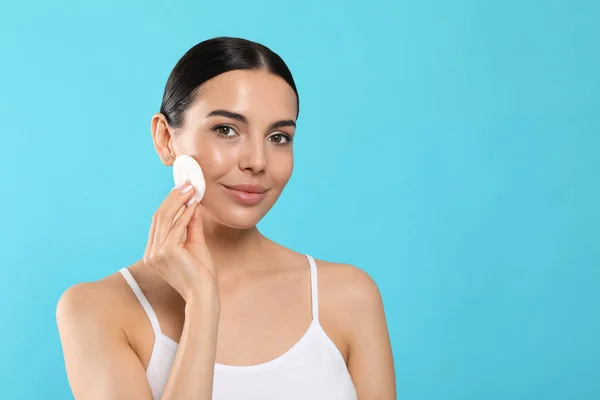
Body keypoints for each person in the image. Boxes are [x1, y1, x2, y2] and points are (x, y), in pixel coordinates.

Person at [56, 36, 396, 400]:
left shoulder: (349, 296)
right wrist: (202, 304)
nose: (257, 161)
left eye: (279, 137)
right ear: (165, 139)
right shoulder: (97, 311)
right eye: (226, 130)